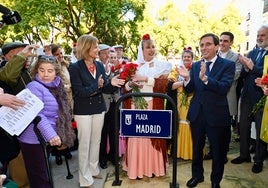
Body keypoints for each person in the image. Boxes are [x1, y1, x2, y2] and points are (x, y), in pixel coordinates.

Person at [177, 33, 235, 188]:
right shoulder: (195, 65)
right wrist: (187, 78)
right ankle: (197, 176)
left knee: (217, 152)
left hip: (216, 115)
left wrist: (205, 78)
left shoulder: (227, 65)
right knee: (197, 149)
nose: (204, 48)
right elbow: (190, 90)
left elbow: (223, 88)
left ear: (217, 46)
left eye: (208, 44)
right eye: (201, 45)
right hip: (197, 114)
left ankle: (215, 181)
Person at [69, 34, 125, 188]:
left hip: (99, 108)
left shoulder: (99, 65)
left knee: (96, 141)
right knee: (85, 143)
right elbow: (80, 92)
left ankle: (93, 169)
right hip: (83, 111)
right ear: (86, 47)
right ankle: (84, 177)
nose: (97, 49)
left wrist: (112, 83)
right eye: (95, 46)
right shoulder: (74, 67)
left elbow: (105, 87)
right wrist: (98, 86)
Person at [18, 55, 76, 187]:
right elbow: (37, 114)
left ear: (56, 72)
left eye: (50, 71)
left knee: (43, 176)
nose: (45, 74)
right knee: (40, 179)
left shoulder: (58, 85)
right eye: (41, 70)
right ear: (36, 70)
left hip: (44, 139)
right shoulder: (34, 86)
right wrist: (52, 135)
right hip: (32, 139)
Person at [122, 33, 172, 179]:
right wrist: (131, 84)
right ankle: (136, 169)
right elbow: (125, 88)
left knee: (152, 136)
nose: (151, 50)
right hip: (136, 106)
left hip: (153, 106)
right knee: (137, 137)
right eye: (147, 47)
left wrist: (146, 79)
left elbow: (164, 85)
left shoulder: (162, 65)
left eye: (153, 46)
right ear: (141, 49)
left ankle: (153, 168)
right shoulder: (133, 66)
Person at [0, 42, 38, 188]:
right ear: (10, 56)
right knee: (20, 168)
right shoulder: (6, 70)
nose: (26, 56)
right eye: (22, 53)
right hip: (14, 128)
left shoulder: (24, 70)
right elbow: (9, 76)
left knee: (32, 165)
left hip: (30, 123)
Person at [231, 25, 268, 174]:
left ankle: (258, 160)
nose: (259, 38)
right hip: (246, 96)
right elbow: (245, 75)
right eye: (258, 35)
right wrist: (246, 68)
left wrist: (252, 66)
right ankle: (244, 155)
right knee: (244, 127)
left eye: (263, 35)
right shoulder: (252, 52)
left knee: (260, 130)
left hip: (261, 97)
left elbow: (264, 74)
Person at [204, 31, 242, 161]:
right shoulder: (213, 55)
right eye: (220, 40)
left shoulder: (236, 57)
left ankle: (223, 153)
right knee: (210, 123)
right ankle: (211, 151)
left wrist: (222, 71)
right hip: (213, 96)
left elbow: (236, 75)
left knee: (225, 128)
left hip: (228, 96)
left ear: (231, 43)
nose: (222, 43)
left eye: (225, 41)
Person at [166, 48, 194, 160]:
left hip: (191, 99)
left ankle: (190, 151)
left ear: (192, 58)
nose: (186, 58)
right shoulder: (175, 70)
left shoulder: (195, 69)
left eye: (189, 57)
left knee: (189, 121)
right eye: (185, 57)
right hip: (178, 99)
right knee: (179, 121)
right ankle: (177, 150)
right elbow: (170, 86)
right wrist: (185, 81)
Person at [50, 43, 74, 165]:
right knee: (58, 128)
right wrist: (68, 86)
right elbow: (55, 85)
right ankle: (58, 153)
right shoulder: (52, 67)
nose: (60, 56)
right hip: (57, 100)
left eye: (61, 53)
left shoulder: (66, 65)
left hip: (69, 100)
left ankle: (67, 150)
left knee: (67, 126)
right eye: (57, 54)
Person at [99, 48, 122, 169]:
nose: (109, 56)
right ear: (100, 55)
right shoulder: (98, 67)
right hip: (103, 104)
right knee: (102, 133)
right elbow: (103, 87)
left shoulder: (117, 68)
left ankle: (113, 157)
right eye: (106, 53)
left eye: (111, 54)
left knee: (114, 132)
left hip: (115, 103)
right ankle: (102, 159)